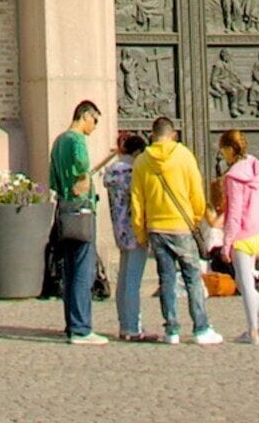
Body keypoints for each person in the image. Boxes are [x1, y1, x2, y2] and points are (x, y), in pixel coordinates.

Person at [128, 114, 218, 345]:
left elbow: (136, 201)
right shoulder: (184, 156)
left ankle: (172, 330)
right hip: (181, 224)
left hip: (156, 227)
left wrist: (140, 231)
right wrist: (196, 218)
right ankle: (201, 327)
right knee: (192, 277)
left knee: (166, 279)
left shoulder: (141, 162)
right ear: (173, 135)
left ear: (152, 135)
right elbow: (196, 193)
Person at [47, 98, 105, 344]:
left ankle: (72, 324)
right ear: (84, 116)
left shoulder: (59, 141)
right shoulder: (76, 140)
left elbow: (52, 180)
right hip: (81, 209)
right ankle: (82, 328)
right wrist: (83, 176)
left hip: (63, 208)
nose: (94, 127)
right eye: (94, 121)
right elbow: (82, 163)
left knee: (69, 268)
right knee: (83, 268)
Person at [211, 130, 259, 342]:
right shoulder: (255, 166)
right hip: (258, 230)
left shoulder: (233, 176)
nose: (223, 155)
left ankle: (252, 331)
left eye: (223, 150)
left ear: (231, 149)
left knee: (245, 285)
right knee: (246, 281)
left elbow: (235, 213)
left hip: (241, 234)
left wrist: (226, 244)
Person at [97, 129, 149, 339]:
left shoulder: (113, 174)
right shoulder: (132, 175)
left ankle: (124, 323)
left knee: (124, 278)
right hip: (135, 231)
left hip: (120, 232)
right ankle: (132, 326)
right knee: (133, 281)